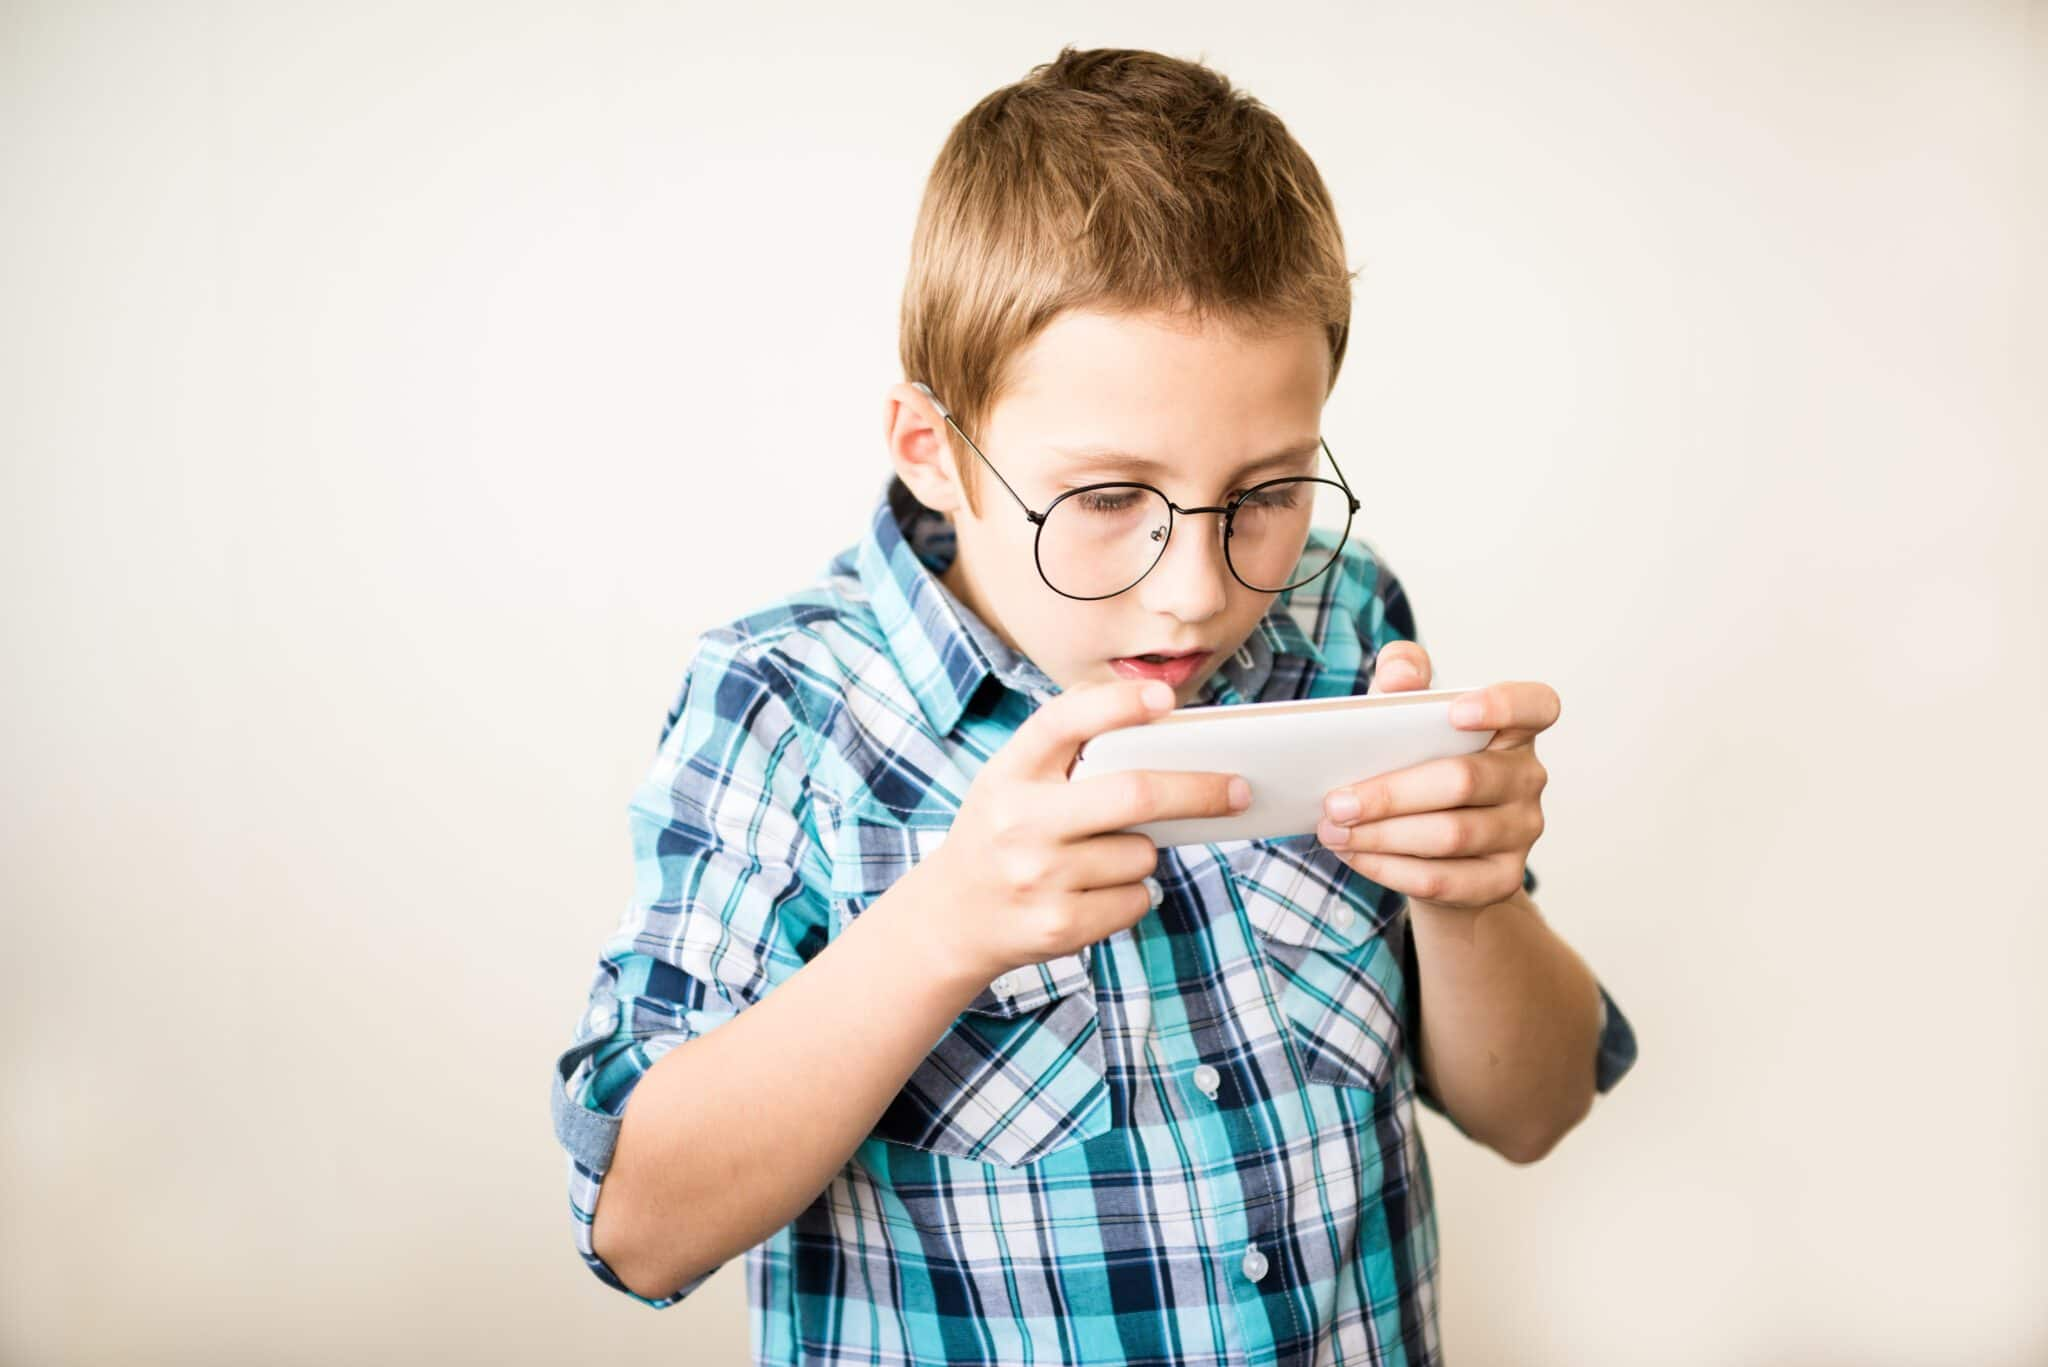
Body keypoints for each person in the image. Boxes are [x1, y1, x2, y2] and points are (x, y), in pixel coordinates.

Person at [548, 45, 1638, 1366]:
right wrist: (940, 930)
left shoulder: (1343, 619)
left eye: (1265, 493)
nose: (1192, 593)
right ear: (932, 451)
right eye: (1110, 499)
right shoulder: (785, 705)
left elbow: (1535, 1111)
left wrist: (1474, 896)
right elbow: (635, 1226)